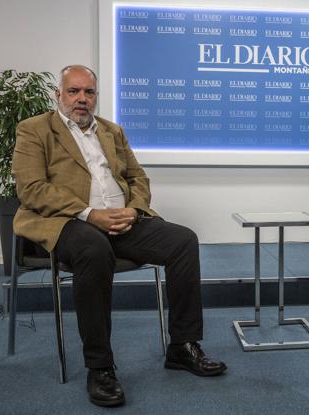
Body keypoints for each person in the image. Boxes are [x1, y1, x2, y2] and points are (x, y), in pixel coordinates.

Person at [12, 65, 227, 407]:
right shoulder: (35, 130)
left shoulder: (112, 131)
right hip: (69, 222)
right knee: (94, 248)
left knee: (183, 240)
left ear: (96, 96)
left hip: (122, 221)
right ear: (59, 94)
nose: (82, 99)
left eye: (89, 92)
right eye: (74, 91)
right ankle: (100, 367)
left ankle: (183, 347)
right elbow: (32, 189)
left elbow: (139, 178)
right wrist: (89, 214)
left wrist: (135, 210)